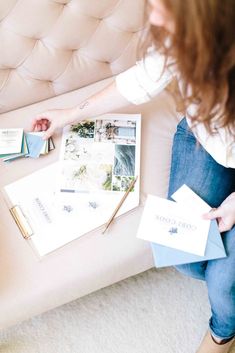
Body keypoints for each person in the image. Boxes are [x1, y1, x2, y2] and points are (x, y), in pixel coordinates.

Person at [31, 1, 235, 352]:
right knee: (184, 255)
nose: (152, 16)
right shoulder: (182, 39)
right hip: (208, 142)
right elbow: (140, 81)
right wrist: (67, 114)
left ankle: (222, 334)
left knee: (222, 283)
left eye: (163, 8)